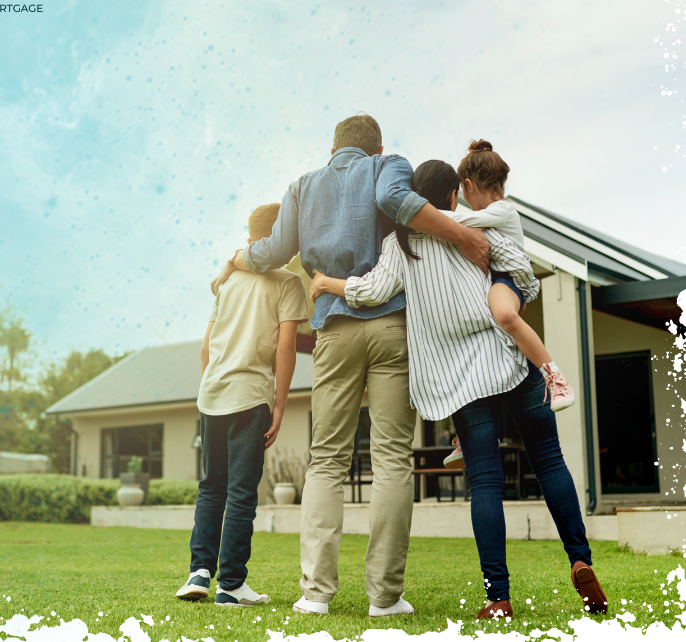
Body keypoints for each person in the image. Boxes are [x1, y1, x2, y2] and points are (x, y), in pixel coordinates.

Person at [210, 114, 491, 619]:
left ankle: (316, 594)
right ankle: (384, 597)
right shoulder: (389, 165)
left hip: (333, 330)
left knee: (327, 461)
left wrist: (237, 257)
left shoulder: (302, 185)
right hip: (390, 328)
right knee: (390, 459)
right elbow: (393, 202)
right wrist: (462, 236)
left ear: (333, 149)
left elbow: (274, 251)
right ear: (377, 147)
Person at [310, 160, 608, 620]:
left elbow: (371, 291)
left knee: (485, 481)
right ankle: (580, 558)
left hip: (459, 380)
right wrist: (510, 292)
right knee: (548, 459)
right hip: (506, 356)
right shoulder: (471, 229)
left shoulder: (398, 244)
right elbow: (519, 271)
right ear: (454, 195)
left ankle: (498, 597)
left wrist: (326, 283)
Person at [176, 203, 308, 606]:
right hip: (250, 398)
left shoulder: (227, 282)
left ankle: (199, 573)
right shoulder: (288, 283)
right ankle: (230, 584)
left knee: (211, 486)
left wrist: (213, 387)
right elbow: (286, 347)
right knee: (241, 492)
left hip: (212, 394)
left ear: (250, 239)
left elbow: (205, 349)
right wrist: (280, 404)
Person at [441, 139, 574, 470]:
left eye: (463, 191)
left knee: (503, 315)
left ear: (469, 185)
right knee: (474, 351)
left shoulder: (502, 210)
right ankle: (464, 434)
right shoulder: (489, 212)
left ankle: (555, 377)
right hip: (490, 284)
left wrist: (418, 213)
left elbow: (456, 225)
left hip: (507, 282)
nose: (465, 200)